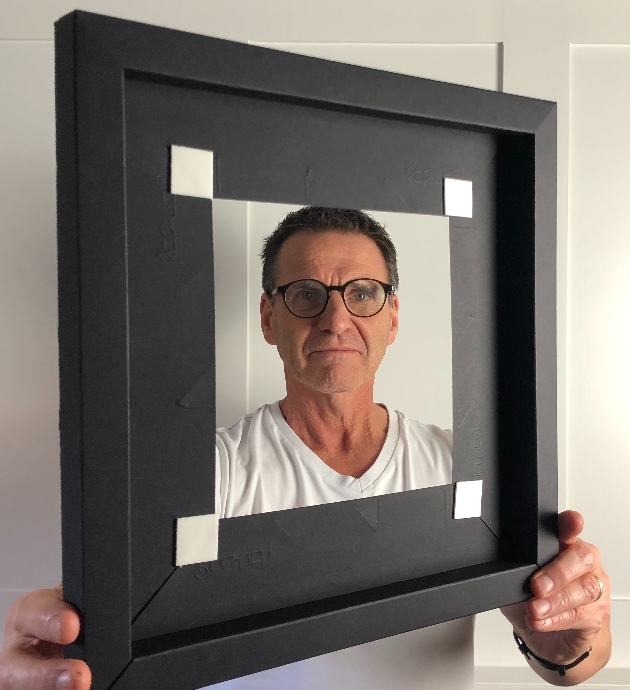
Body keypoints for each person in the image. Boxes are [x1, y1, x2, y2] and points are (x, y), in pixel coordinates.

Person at [0, 208, 611, 690]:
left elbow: (580, 657)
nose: (335, 318)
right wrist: (67, 652)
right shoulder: (204, 477)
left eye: (363, 293)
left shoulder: (467, 469)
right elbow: (109, 635)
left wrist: (568, 640)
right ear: (270, 318)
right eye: (306, 294)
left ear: (392, 318)